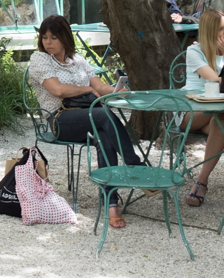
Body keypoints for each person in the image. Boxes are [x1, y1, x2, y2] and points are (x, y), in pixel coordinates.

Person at [28, 15, 146, 230]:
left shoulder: (78, 60)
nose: (48, 42)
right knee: (104, 115)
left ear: (65, 38)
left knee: (104, 137)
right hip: (60, 119)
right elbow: (58, 90)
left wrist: (118, 91)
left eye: (54, 37)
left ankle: (111, 203)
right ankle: (136, 166)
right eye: (44, 37)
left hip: (88, 117)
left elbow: (100, 88)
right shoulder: (40, 59)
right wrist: (87, 89)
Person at [179, 9, 224, 206]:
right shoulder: (195, 51)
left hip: (218, 113)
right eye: (220, 28)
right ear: (209, 31)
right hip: (191, 111)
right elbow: (214, 80)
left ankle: (202, 181)